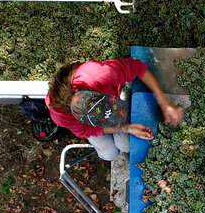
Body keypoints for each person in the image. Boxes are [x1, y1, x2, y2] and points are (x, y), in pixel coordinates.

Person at [46, 58, 184, 160]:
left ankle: (124, 93)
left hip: (109, 87)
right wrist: (126, 128)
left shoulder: (101, 74)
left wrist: (164, 102)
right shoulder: (60, 116)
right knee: (109, 154)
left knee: (125, 145)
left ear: (99, 93)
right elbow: (86, 130)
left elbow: (139, 68)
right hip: (92, 124)